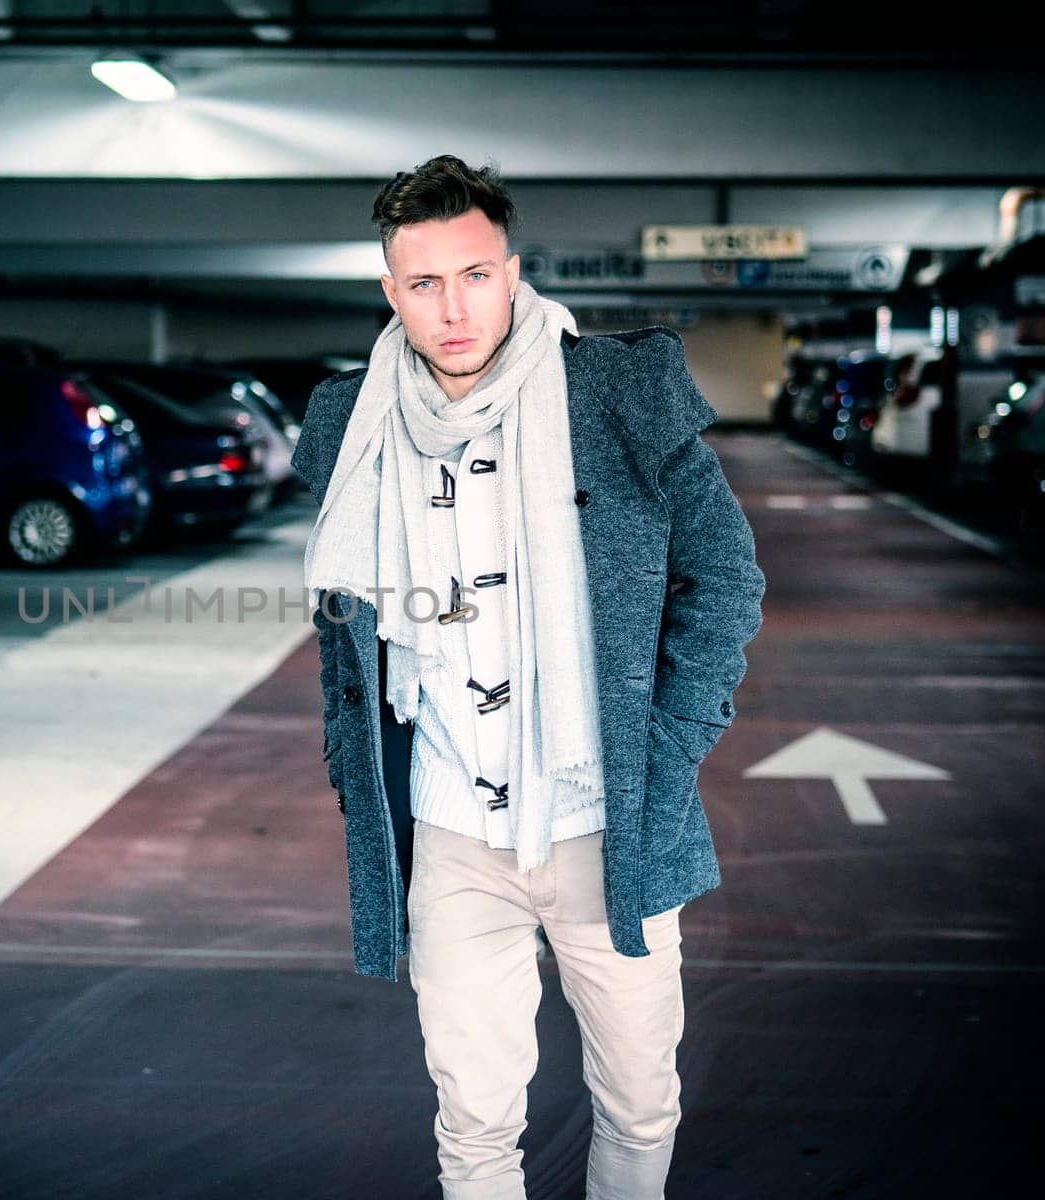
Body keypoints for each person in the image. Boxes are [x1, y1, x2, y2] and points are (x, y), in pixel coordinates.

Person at [291, 155, 765, 1199]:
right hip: (453, 829)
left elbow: (724, 579)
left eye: (471, 276)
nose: (450, 308)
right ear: (390, 293)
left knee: (640, 1099)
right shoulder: (354, 425)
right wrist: (348, 762)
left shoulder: (619, 392)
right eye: (422, 284)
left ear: (509, 271)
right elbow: (341, 637)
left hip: (610, 823)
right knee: (471, 1116)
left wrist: (664, 748)